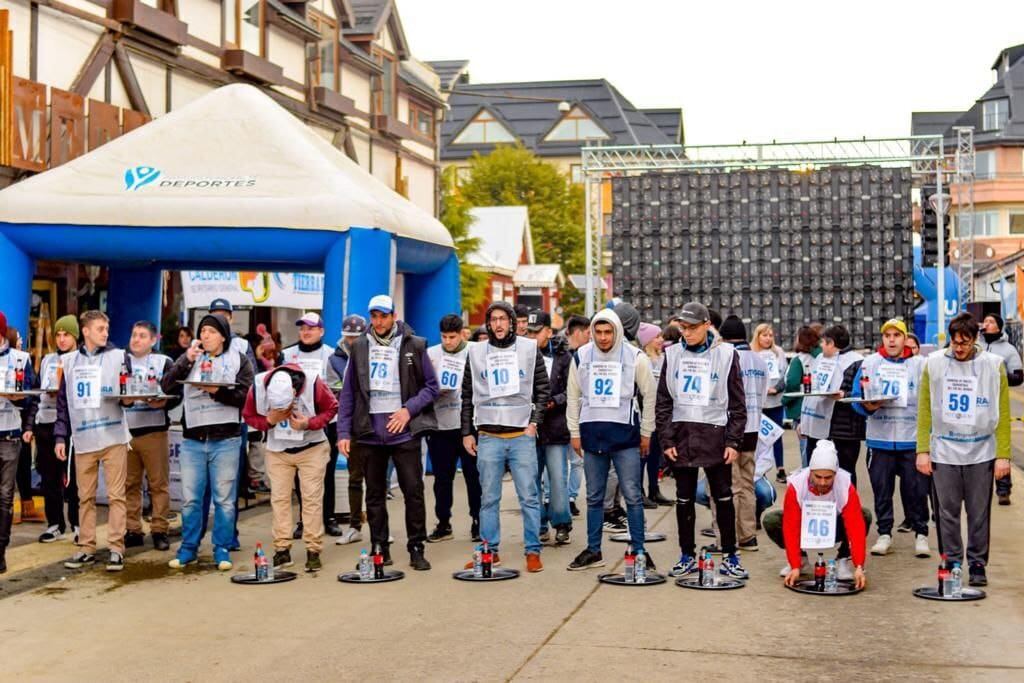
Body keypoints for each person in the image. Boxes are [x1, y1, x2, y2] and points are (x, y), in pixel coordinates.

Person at [337, 295, 437, 571]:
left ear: (394, 315)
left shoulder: (413, 345)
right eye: (375, 316)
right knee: (374, 494)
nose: (379, 321)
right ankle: (379, 545)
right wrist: (344, 432)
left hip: (403, 433)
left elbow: (431, 387)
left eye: (383, 315)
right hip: (369, 433)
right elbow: (348, 393)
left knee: (413, 491)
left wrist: (408, 411)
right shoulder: (359, 347)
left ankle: (416, 546)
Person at [917, 313, 1011, 587]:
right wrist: (923, 449)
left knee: (979, 510)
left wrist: (1003, 455)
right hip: (944, 450)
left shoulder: (993, 366)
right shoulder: (933, 364)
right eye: (955, 342)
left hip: (981, 451)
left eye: (965, 342)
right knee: (946, 511)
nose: (959, 348)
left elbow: (1003, 414)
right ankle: (952, 559)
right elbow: (924, 410)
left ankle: (978, 563)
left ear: (975, 339)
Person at [656, 302, 749, 579]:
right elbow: (663, 401)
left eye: (693, 328)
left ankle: (731, 554)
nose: (687, 333)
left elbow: (738, 403)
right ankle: (686, 554)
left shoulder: (726, 354)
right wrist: (667, 439)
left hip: (715, 436)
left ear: (707, 325)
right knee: (683, 499)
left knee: (723, 498)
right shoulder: (671, 355)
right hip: (682, 436)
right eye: (683, 328)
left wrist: (734, 442)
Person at [461, 301, 550, 572]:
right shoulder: (475, 352)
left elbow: (543, 390)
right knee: (488, 498)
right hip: (488, 434)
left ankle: (532, 551)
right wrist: (467, 432)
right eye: (493, 319)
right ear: (488, 323)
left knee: (529, 497)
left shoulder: (528, 348)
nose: (498, 324)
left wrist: (535, 423)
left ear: (512, 322)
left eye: (503, 319)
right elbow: (467, 394)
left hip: (521, 434)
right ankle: (489, 550)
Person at [566, 309, 658, 571]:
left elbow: (649, 396)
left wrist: (646, 432)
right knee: (594, 496)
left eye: (608, 332)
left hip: (626, 434)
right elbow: (573, 396)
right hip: (592, 432)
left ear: (617, 331)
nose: (604, 337)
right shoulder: (582, 356)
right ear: (592, 331)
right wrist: (574, 432)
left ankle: (639, 549)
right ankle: (594, 550)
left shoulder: (635, 357)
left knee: (632, 494)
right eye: (599, 331)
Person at [162, 312, 254, 571]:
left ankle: (222, 547)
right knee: (190, 499)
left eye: (211, 331)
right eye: (202, 331)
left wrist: (218, 392)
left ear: (223, 336)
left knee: (224, 499)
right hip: (193, 439)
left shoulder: (239, 359)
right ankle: (188, 547)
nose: (205, 336)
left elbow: (247, 396)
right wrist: (184, 361)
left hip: (226, 439)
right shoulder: (190, 358)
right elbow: (167, 386)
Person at [243, 359, 338, 572]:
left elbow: (332, 408)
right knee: (279, 498)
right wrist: (268, 420)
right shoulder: (258, 385)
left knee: (311, 498)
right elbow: (248, 415)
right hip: (278, 450)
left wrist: (309, 423)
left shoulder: (314, 383)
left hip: (311, 447)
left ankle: (313, 550)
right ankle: (281, 549)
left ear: (295, 392)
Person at [54, 311, 129, 572]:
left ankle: (116, 548)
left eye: (106, 328)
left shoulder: (118, 356)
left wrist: (128, 397)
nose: (105, 333)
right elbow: (62, 402)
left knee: (116, 495)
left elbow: (127, 390)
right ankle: (86, 546)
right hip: (84, 436)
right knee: (83, 496)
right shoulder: (69, 361)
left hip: (113, 436)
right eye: (100, 328)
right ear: (85, 331)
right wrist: (60, 436)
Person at [850, 318, 930, 559]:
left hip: (912, 439)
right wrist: (869, 407)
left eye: (897, 335)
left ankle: (921, 533)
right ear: (882, 339)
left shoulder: (920, 365)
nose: (892, 339)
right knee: (881, 489)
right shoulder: (870, 363)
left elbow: (931, 400)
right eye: (888, 335)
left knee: (916, 490)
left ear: (905, 339)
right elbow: (856, 398)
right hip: (879, 438)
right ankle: (885, 533)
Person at [764, 440, 869, 589]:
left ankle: (843, 559)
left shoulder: (845, 485)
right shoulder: (796, 485)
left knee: (864, 515)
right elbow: (791, 526)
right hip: (804, 524)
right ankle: (801, 560)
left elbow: (855, 526)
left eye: (828, 477)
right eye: (818, 476)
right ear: (810, 472)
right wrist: (794, 564)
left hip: (835, 526)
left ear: (835, 473)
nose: (823, 482)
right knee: (773, 520)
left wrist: (859, 565)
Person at [281, 312, 344, 538]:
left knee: (326, 471)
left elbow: (341, 387)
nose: (306, 332)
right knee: (300, 472)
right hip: (297, 422)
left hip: (327, 420)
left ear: (321, 331)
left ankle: (329, 517)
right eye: (302, 328)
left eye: (311, 328)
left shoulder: (331, 355)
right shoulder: (288, 354)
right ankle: (303, 520)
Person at [425, 314, 481, 542]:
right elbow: (423, 386)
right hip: (441, 425)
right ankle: (443, 522)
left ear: (462, 334)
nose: (448, 342)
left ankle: (478, 520)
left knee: (473, 476)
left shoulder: (475, 351)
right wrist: (434, 391)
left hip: (470, 424)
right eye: (444, 337)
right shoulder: (431, 354)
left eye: (452, 337)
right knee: (442, 478)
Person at [123, 321, 178, 552]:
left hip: (154, 431)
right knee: (129, 484)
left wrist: (164, 402)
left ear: (153, 340)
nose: (136, 339)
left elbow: (176, 393)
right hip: (125, 432)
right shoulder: (120, 361)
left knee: (158, 484)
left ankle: (159, 530)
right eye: (134, 335)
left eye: (142, 336)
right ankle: (133, 529)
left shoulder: (164, 362)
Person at [718, 315, 768, 552]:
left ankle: (727, 539)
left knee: (728, 486)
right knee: (747, 483)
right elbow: (764, 395)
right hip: (753, 428)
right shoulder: (759, 360)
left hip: (729, 429)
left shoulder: (727, 358)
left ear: (724, 337)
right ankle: (748, 536)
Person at [34, 314, 81, 543]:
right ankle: (54, 523)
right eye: (58, 335)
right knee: (48, 477)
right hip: (45, 422)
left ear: (75, 336)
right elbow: (36, 390)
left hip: (69, 425)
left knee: (72, 478)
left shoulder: (81, 359)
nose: (62, 339)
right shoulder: (47, 360)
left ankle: (77, 523)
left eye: (66, 335)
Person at [527, 310, 572, 545]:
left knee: (557, 478)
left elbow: (572, 389)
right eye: (530, 332)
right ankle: (539, 523)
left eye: (537, 332)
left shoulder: (563, 355)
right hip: (529, 427)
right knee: (532, 479)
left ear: (548, 331)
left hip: (555, 426)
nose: (533, 337)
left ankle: (562, 523)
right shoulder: (521, 354)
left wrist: (555, 401)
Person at [800, 325, 865, 484]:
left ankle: (846, 507)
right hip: (817, 424)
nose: (821, 345)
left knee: (845, 474)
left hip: (845, 429)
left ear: (831, 343)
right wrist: (804, 421)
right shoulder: (820, 359)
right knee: (816, 470)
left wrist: (844, 395)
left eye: (823, 342)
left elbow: (862, 393)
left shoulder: (857, 361)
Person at [0, 311, 37, 573]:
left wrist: (19, 400)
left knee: (4, 496)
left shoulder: (20, 359)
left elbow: (30, 396)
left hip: (9, 435)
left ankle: (0, 550)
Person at [329, 314, 368, 545]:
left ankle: (377, 524)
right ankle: (354, 525)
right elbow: (335, 391)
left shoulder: (373, 352)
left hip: (372, 422)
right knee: (355, 477)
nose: (352, 341)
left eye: (356, 336)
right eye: (349, 336)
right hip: (350, 423)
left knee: (376, 479)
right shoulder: (334, 359)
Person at [979, 313, 1022, 506]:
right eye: (985, 321)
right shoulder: (975, 345)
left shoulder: (1008, 349)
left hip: (997, 404)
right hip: (976, 405)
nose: (986, 324)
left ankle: (1003, 489)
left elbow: (1019, 377)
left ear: (999, 327)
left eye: (991, 322)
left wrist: (997, 376)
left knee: (999, 445)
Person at [637, 322, 671, 507]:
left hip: (661, 414)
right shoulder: (643, 359)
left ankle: (654, 489)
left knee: (656, 454)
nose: (661, 340)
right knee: (644, 453)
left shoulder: (663, 358)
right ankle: (640, 492)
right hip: (646, 413)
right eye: (657, 337)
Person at [751, 323, 788, 480]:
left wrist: (777, 389)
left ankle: (780, 468)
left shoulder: (778, 352)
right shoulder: (752, 352)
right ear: (757, 336)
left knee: (776, 435)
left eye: (770, 335)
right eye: (764, 335)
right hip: (758, 404)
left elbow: (785, 375)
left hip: (775, 402)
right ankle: (760, 470)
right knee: (758, 437)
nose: (768, 338)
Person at [782, 325, 821, 472]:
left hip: (801, 407)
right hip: (820, 407)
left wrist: (784, 401)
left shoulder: (798, 360)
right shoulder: (823, 357)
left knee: (805, 447)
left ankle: (807, 475)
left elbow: (791, 382)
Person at [564, 314, 591, 516]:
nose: (591, 337)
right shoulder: (563, 354)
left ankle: (571, 497)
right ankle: (551, 498)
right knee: (555, 464)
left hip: (579, 415)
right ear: (579, 332)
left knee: (577, 461)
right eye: (589, 332)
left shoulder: (587, 355)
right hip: (557, 418)